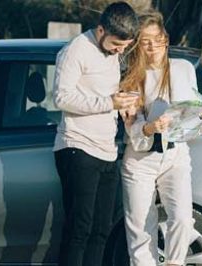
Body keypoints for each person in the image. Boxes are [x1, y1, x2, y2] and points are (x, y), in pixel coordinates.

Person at [119, 11, 202, 266]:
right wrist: (149, 127)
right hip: (140, 160)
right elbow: (132, 127)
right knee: (140, 228)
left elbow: (194, 110)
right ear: (139, 44)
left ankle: (175, 263)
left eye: (156, 39)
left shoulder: (183, 69)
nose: (152, 46)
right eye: (145, 40)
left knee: (182, 218)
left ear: (166, 39)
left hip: (176, 154)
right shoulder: (132, 76)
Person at [52, 2, 140, 266]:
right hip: (78, 147)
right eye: (117, 44)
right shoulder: (76, 50)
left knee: (102, 230)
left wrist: (122, 108)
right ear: (101, 30)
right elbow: (61, 97)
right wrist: (109, 103)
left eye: (125, 46)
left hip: (107, 150)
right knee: (80, 229)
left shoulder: (112, 53)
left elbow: (103, 95)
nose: (120, 50)